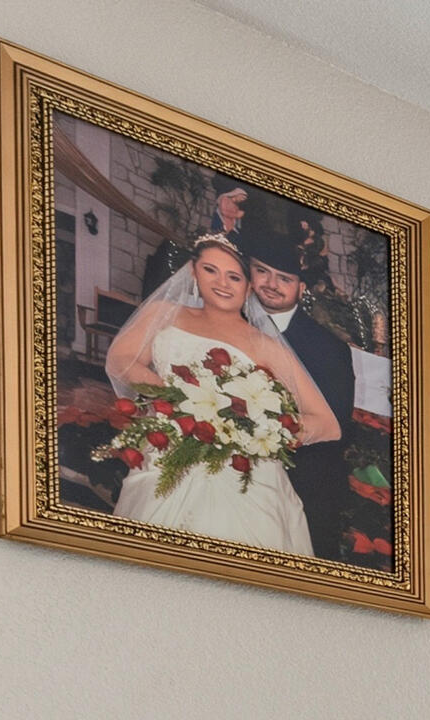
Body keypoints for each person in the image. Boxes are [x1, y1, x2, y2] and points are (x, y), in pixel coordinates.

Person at [101, 233, 338, 553]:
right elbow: (121, 360)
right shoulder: (164, 312)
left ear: (248, 286)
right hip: (172, 449)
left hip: (242, 468)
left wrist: (263, 429)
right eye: (211, 270)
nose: (223, 283)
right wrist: (178, 399)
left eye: (234, 276)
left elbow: (327, 423)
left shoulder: (263, 343)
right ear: (193, 272)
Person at [237, 196, 355, 560]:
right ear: (249, 275)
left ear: (301, 288)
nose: (271, 284)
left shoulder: (330, 348)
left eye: (284, 278)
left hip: (304, 484)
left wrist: (266, 441)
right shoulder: (228, 328)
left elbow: (336, 429)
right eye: (262, 272)